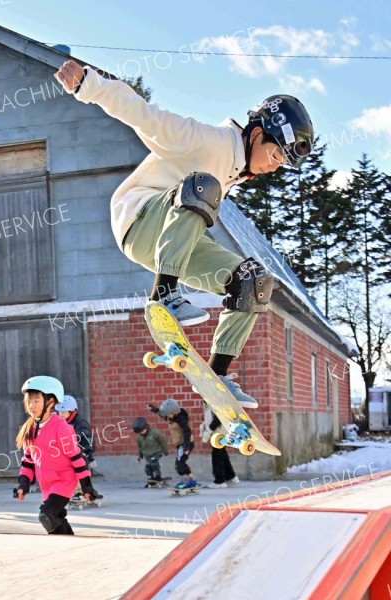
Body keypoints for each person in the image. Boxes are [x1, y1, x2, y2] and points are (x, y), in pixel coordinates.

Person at [55, 61, 314, 408]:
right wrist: (90, 85)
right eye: (274, 154)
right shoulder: (209, 141)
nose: (273, 166)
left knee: (253, 280)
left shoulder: (234, 168)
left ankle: (218, 375)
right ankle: (164, 294)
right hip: (139, 220)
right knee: (203, 185)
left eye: (282, 162)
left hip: (171, 236)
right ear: (255, 135)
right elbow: (145, 115)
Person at [14, 375, 99, 535]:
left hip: (64, 481)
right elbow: (28, 461)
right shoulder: (29, 429)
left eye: (37, 401)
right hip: (46, 484)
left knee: (47, 516)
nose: (32, 405)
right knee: (57, 519)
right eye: (29, 401)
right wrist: (23, 484)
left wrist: (87, 486)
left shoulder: (61, 427)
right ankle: (70, 545)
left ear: (51, 402)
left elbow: (77, 458)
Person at [148, 398, 198, 489]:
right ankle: (191, 480)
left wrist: (186, 447)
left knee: (179, 464)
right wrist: (153, 409)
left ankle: (187, 481)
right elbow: (162, 414)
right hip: (181, 444)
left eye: (168, 415)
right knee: (180, 463)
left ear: (174, 412)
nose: (167, 417)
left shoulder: (181, 419)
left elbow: (187, 432)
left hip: (186, 443)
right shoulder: (171, 416)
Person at [54, 394, 100, 474]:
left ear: (71, 411)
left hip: (77, 456)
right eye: (59, 412)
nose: (61, 414)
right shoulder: (57, 423)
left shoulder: (80, 423)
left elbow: (85, 438)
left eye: (64, 412)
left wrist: (89, 456)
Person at [200, 403, 240, 489]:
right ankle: (230, 476)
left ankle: (219, 481)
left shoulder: (213, 400)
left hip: (218, 432)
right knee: (222, 454)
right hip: (220, 431)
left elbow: (218, 418)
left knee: (217, 456)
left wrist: (207, 433)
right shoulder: (209, 401)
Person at [132, 416, 169, 484]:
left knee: (154, 462)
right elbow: (140, 447)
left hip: (156, 452)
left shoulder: (154, 433)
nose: (141, 433)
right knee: (147, 467)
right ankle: (150, 477)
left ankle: (158, 476)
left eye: (142, 431)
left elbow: (163, 440)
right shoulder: (139, 438)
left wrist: (165, 451)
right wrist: (140, 456)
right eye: (139, 432)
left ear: (146, 427)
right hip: (147, 454)